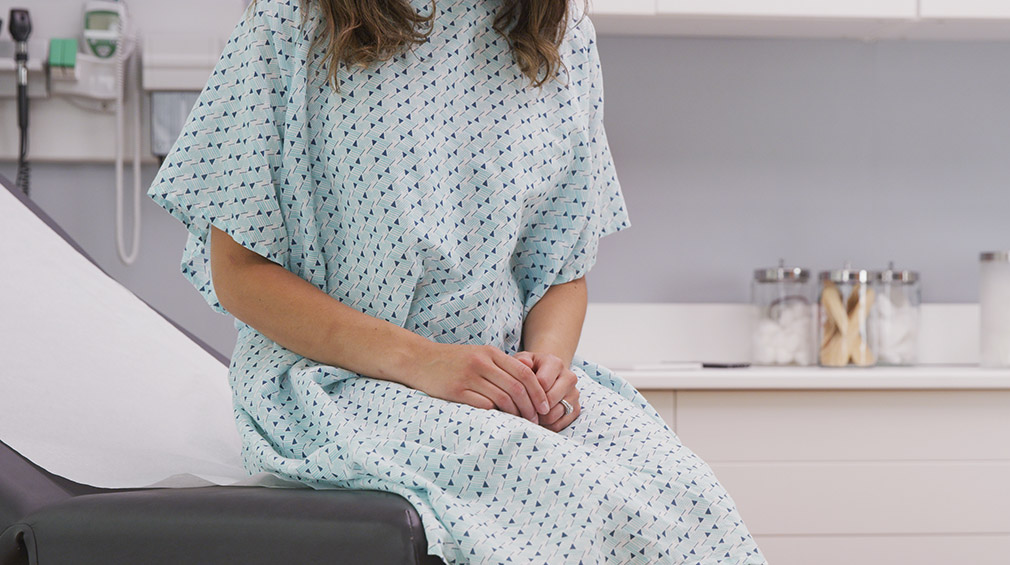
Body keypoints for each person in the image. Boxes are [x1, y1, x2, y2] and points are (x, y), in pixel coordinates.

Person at [147, 0, 764, 562]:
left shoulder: (560, 35)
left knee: (682, 492)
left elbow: (562, 274)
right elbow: (241, 275)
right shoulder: (293, 23)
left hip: (499, 384)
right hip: (334, 381)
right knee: (549, 494)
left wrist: (544, 372)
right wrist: (426, 363)